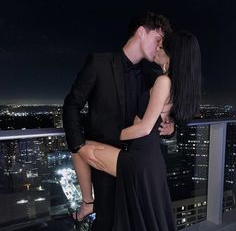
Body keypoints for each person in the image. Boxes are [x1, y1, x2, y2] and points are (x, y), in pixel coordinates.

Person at [79, 30, 201, 231]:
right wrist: (171, 127)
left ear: (173, 55)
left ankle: (88, 204)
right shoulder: (177, 84)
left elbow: (144, 128)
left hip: (140, 158)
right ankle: (88, 204)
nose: (158, 49)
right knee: (145, 221)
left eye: (162, 47)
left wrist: (108, 135)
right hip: (149, 160)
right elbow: (162, 119)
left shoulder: (164, 82)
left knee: (79, 147)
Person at [63, 12, 174, 231]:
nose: (160, 47)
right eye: (158, 39)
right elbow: (71, 105)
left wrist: (170, 129)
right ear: (141, 32)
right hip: (104, 161)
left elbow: (161, 114)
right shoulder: (99, 63)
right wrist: (79, 146)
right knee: (107, 223)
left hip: (136, 162)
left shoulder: (151, 77)